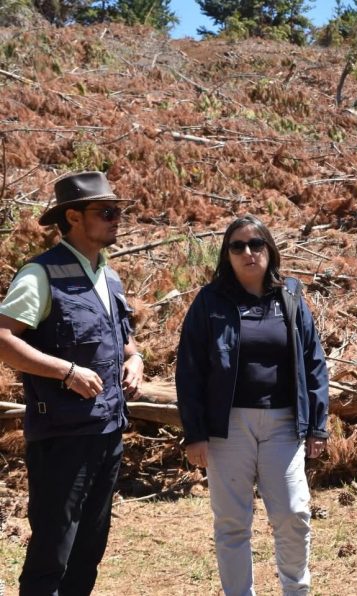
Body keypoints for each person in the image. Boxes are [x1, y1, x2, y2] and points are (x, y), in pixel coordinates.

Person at [0, 171, 144, 594]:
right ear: (73, 217)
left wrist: (136, 359)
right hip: (61, 438)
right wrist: (66, 371)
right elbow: (3, 338)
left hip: (107, 431)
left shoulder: (109, 277)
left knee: (89, 549)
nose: (116, 219)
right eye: (106, 212)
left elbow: (125, 340)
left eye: (117, 212)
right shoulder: (40, 274)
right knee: (53, 551)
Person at [176, 214, 329, 596]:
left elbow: (314, 362)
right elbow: (190, 369)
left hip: (284, 424)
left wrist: (317, 425)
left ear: (269, 249)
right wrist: (195, 432)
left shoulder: (290, 297)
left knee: (293, 513)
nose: (248, 252)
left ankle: (296, 590)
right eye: (238, 246)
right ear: (226, 254)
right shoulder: (210, 301)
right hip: (227, 427)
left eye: (256, 244)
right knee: (232, 522)